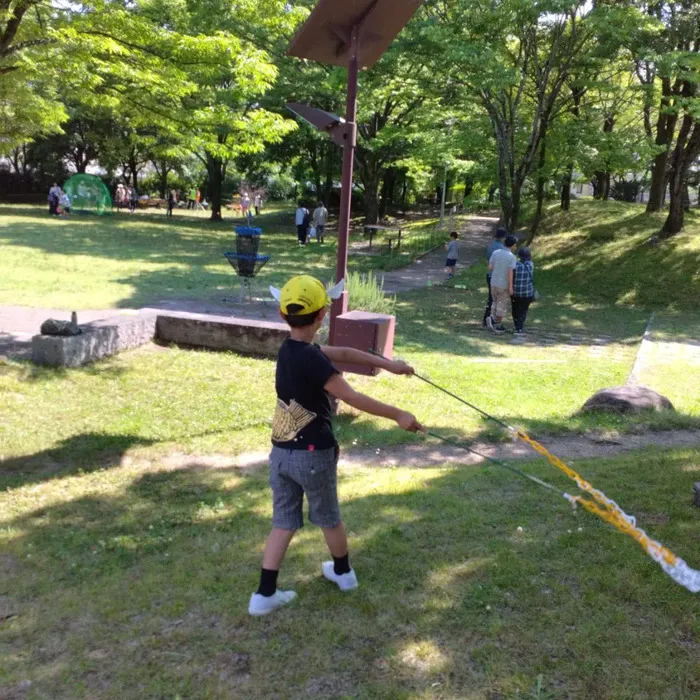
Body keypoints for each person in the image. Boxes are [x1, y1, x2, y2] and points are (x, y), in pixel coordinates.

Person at [249, 275, 424, 616]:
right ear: (322, 315)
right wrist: (399, 414)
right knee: (328, 517)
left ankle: (263, 594)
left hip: (281, 455)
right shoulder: (312, 358)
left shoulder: (291, 350)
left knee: (283, 521)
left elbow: (343, 352)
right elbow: (352, 396)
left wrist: (390, 365)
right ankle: (343, 573)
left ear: (282, 314)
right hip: (313, 455)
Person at [486, 234, 518, 334]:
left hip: (493, 282)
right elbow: (510, 273)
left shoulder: (496, 252)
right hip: (503, 284)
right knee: (501, 304)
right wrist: (510, 287)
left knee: (494, 301)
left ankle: (491, 318)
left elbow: (490, 267)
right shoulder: (511, 257)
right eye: (515, 245)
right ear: (512, 245)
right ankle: (497, 324)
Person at [483, 228, 507, 326]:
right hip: (497, 276)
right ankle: (491, 319)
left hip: (490, 274)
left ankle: (487, 317)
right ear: (503, 237)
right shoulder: (501, 248)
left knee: (491, 298)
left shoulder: (490, 245)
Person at [511, 247, 535, 335]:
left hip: (515, 292)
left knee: (515, 309)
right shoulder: (531, 265)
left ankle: (516, 324)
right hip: (527, 292)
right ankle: (519, 328)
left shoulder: (515, 265)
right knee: (523, 310)